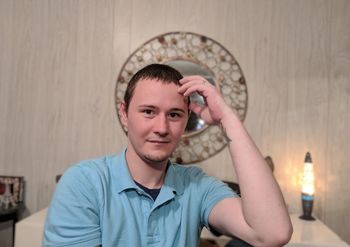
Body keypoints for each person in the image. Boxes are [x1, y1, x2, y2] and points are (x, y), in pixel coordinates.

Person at [43, 64, 292, 247]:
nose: (162, 128)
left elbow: (272, 233)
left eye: (174, 114)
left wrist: (228, 119)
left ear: (186, 121)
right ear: (124, 113)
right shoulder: (84, 183)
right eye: (149, 111)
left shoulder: (197, 186)